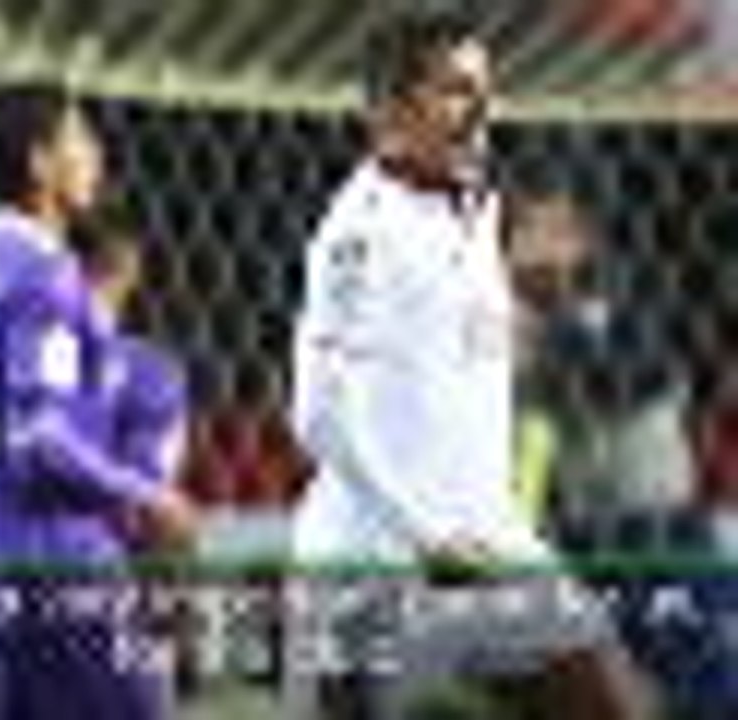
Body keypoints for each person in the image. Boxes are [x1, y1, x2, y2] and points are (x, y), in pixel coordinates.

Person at [289, 11, 659, 720]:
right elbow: (317, 413)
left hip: (489, 544)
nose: (482, 109)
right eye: (456, 89)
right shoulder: (361, 234)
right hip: (376, 560)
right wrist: (426, 535)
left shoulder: (479, 209)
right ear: (392, 108)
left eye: (486, 89)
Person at [0, 86, 194, 720]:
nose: (96, 155)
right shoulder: (45, 276)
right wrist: (149, 496)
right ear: (40, 163)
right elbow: (39, 443)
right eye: (81, 138)